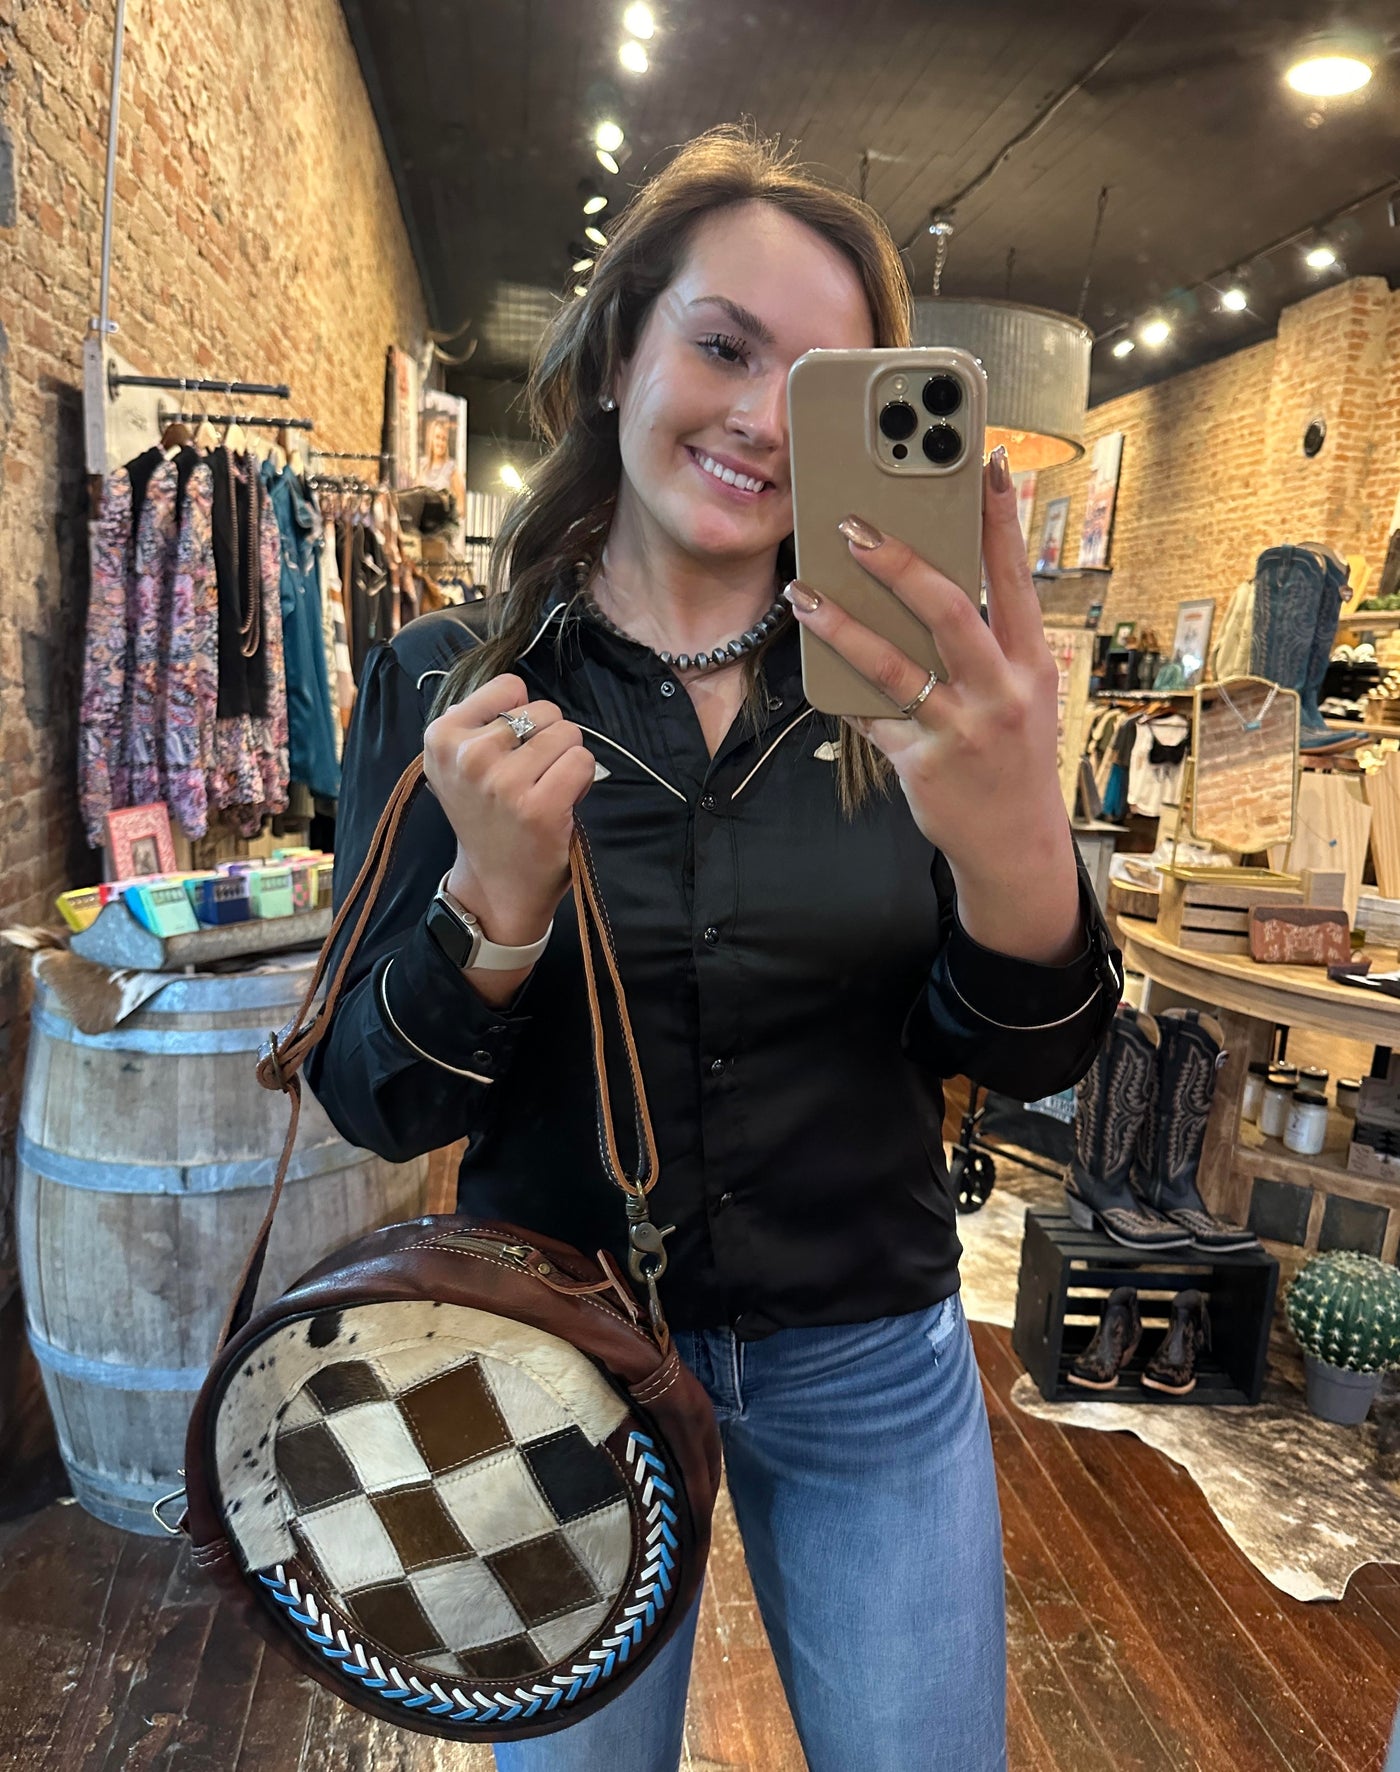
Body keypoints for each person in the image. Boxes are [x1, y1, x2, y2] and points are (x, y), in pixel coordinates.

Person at [307, 126, 1122, 1772]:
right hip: (555, 1368)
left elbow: (1020, 1054)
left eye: (817, 386)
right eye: (723, 345)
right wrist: (493, 915)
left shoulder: (914, 700)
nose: (760, 419)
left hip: (871, 1362)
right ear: (622, 350)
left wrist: (1021, 846)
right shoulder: (451, 685)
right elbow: (373, 1104)